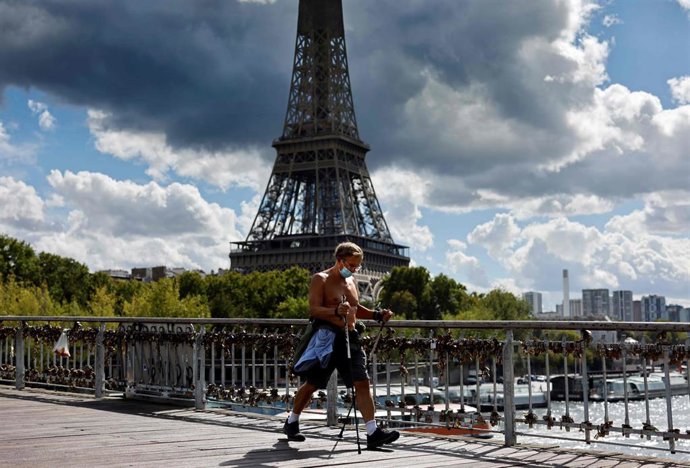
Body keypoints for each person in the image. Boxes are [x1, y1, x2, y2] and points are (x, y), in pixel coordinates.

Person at [283, 241, 400, 450]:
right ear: (340, 260)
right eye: (352, 265)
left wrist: (376, 314)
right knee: (312, 384)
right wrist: (336, 312)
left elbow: (355, 308)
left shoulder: (352, 280)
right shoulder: (321, 279)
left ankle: (372, 432)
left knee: (362, 383)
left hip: (350, 337)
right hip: (327, 339)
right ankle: (292, 421)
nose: (354, 269)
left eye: (357, 267)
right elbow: (314, 310)